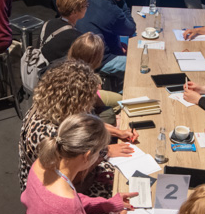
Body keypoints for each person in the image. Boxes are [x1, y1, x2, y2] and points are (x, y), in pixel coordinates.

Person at [19, 59, 135, 194]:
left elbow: (85, 122)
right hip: (54, 189)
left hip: (72, 171)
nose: (91, 104)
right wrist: (105, 152)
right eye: (90, 99)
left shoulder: (49, 106)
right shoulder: (50, 134)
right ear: (77, 101)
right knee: (119, 185)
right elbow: (70, 176)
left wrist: (117, 132)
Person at [76, 0, 136, 76]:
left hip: (81, 53)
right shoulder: (114, 10)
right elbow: (131, 29)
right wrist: (121, 2)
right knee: (136, 64)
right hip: (101, 61)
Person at [37, 0, 87, 68]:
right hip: (56, 78)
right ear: (75, 10)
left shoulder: (48, 23)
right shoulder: (75, 37)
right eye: (85, 5)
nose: (87, 7)